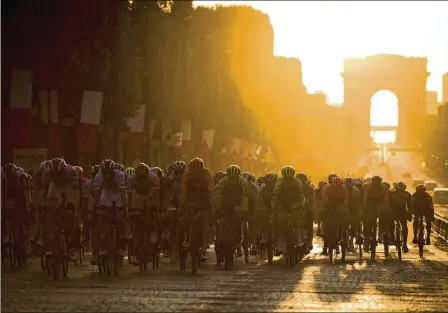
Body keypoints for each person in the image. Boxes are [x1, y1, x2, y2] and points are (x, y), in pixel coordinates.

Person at [389, 181, 412, 252]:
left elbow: (389, 205)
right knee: (404, 226)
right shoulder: (407, 194)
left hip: (394, 213)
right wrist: (409, 215)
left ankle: (392, 239)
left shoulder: (392, 194)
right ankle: (404, 244)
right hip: (403, 213)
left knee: (391, 225)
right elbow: (409, 206)